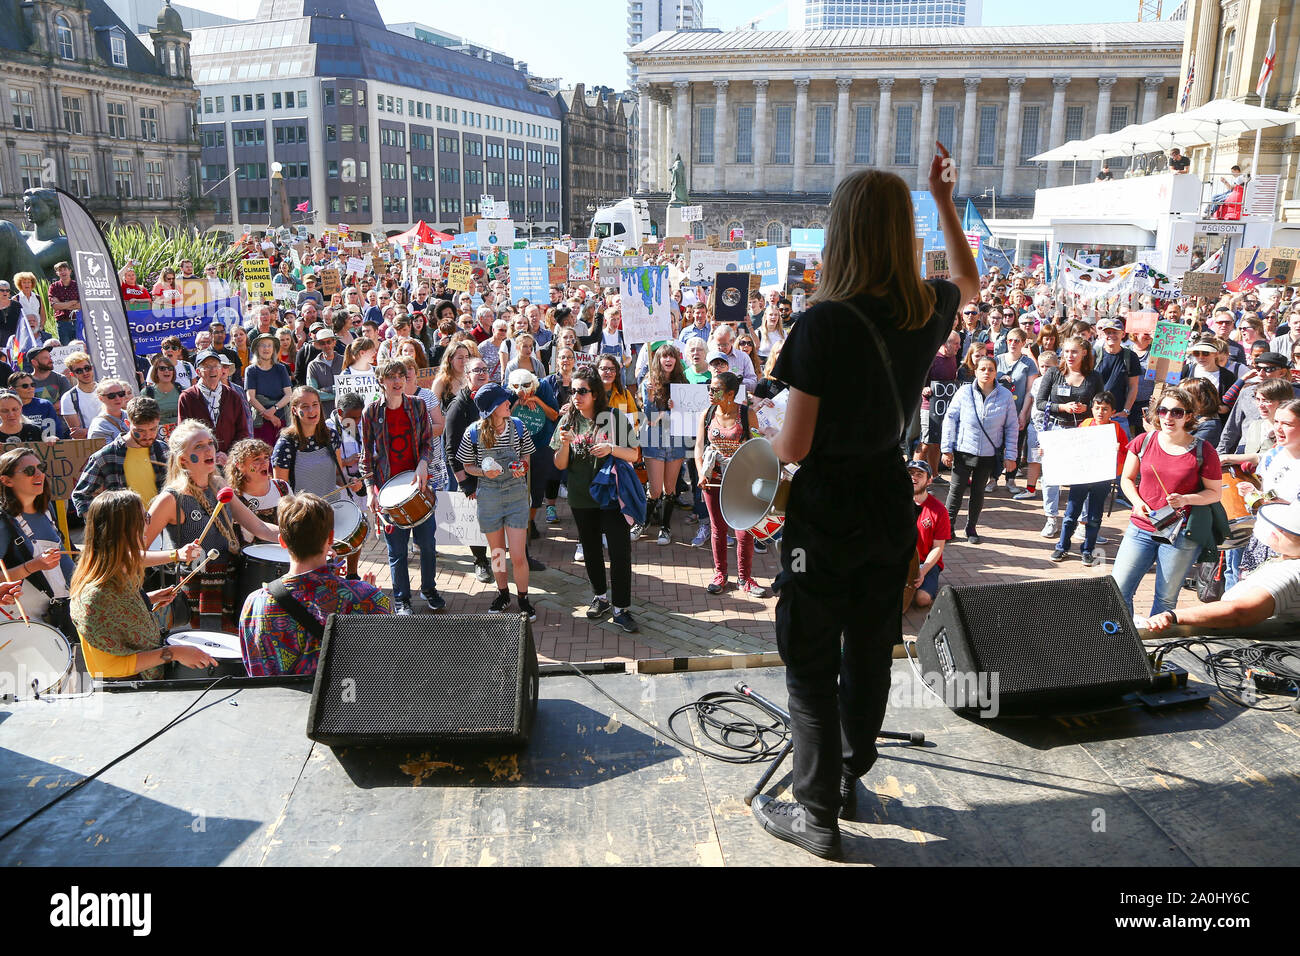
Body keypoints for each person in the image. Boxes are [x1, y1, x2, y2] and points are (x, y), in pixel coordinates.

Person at [757, 146, 977, 859]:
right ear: (900, 233)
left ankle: (815, 814)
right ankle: (850, 774)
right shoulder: (926, 307)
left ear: (842, 232)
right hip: (889, 498)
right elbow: (968, 281)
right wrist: (944, 201)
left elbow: (791, 449)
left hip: (825, 505)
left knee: (810, 661)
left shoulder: (821, 325)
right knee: (872, 648)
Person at [144, 420, 279, 633]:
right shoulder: (171, 500)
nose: (209, 449)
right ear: (183, 460)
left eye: (210, 443)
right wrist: (176, 554)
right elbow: (135, 555)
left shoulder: (219, 486)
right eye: (199, 446)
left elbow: (260, 528)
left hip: (231, 588)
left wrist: (305, 540)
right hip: (196, 599)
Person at [239, 493, 389, 676]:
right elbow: (382, 664)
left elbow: (255, 672)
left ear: (282, 541)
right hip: (342, 702)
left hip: (276, 703)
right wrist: (364, 600)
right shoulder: (369, 598)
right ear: (331, 538)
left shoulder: (254, 604)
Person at [71, 491, 214, 680]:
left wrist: (147, 599)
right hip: (130, 699)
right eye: (145, 518)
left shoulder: (115, 578)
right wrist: (174, 653)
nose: (149, 523)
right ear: (124, 529)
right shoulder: (97, 597)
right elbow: (109, 668)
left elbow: (119, 611)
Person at [1110, 386, 1223, 617]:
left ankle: (1155, 647)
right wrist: (1137, 502)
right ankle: (1127, 644)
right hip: (1141, 527)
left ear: (1189, 416)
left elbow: (1214, 493)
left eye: (1177, 412)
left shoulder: (1203, 450)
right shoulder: (1143, 441)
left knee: (1165, 598)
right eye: (1163, 411)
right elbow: (1127, 480)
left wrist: (1185, 499)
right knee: (1119, 591)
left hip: (1180, 532)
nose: (1168, 417)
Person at [551, 365, 639, 633]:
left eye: (582, 391)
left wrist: (611, 448)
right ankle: (600, 597)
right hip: (581, 497)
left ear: (595, 393)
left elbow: (635, 454)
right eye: (573, 391)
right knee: (590, 550)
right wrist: (565, 443)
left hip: (612, 497)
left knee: (620, 553)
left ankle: (621, 608)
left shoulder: (614, 418)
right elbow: (559, 464)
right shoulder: (566, 422)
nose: (576, 396)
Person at [360, 360, 444, 615]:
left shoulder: (417, 405)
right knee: (397, 550)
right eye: (391, 377)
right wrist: (369, 491)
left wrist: (423, 464)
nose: (397, 381)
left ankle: (429, 589)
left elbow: (428, 442)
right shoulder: (371, 413)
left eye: (401, 376)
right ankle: (401, 599)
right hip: (387, 490)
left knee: (427, 544)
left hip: (418, 485)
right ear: (381, 380)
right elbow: (366, 457)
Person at [1145, 500, 1300, 631]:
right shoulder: (1286, 560)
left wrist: (1174, 616)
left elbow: (1241, 612)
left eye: (1291, 530)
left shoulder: (1290, 572)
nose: (1278, 529)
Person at [457, 383, 537, 619]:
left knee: (519, 555)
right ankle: (503, 594)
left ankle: (523, 597)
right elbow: (466, 466)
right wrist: (483, 472)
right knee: (498, 553)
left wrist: (522, 467)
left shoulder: (519, 426)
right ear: (492, 409)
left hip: (516, 494)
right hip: (489, 495)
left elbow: (526, 455)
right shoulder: (473, 431)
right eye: (503, 402)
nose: (508, 403)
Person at [695, 370, 766, 594]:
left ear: (730, 394)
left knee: (743, 530)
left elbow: (758, 446)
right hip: (713, 480)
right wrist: (700, 473)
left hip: (741, 481)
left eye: (715, 390)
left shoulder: (747, 414)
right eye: (709, 388)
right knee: (718, 529)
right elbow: (698, 448)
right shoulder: (706, 414)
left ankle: (745, 579)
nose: (710, 392)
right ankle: (720, 575)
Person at [940, 355, 1018, 545]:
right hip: (963, 450)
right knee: (956, 490)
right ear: (975, 371)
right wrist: (946, 448)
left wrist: (1011, 455)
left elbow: (1012, 426)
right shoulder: (964, 392)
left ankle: (971, 528)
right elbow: (950, 419)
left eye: (990, 369)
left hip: (988, 453)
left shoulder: (1005, 396)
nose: (986, 372)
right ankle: (948, 528)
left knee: (978, 492)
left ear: (996, 372)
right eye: (982, 369)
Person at [1035, 335, 1104, 538]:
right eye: (1066, 351)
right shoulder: (1054, 373)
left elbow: (1100, 404)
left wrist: (1088, 408)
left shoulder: (1094, 377)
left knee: (1082, 478)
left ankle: (1081, 523)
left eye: (1074, 351)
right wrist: (1062, 407)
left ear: (1084, 352)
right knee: (1050, 476)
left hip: (1082, 431)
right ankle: (1051, 518)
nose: (1070, 356)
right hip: (1056, 429)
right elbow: (1040, 403)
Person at [1051, 391, 1125, 566]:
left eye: (1105, 409)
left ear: (1112, 411)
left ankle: (1087, 550)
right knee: (1071, 513)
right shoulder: (1085, 424)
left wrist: (1118, 452)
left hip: (1102, 478)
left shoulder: (1116, 430)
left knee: (1094, 516)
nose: (1100, 412)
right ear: (1092, 409)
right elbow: (1071, 446)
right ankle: (1062, 546)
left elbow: (1125, 453)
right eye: (1097, 408)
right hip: (1082, 476)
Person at [444, 356, 498, 584]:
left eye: (485, 369)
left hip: (494, 470)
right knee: (475, 523)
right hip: (471, 473)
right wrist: (465, 483)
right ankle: (480, 561)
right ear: (467, 376)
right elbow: (450, 449)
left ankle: (501, 561)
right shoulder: (458, 406)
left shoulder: (492, 399)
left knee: (495, 519)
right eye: (477, 370)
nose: (482, 373)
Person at [72, 396, 170, 517]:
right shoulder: (106, 455)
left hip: (163, 526)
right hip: (126, 528)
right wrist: (106, 523)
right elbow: (81, 496)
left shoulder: (164, 449)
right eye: (140, 431)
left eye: (153, 429)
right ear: (127, 423)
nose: (148, 435)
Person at [639, 343, 690, 546]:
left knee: (670, 488)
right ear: (657, 360)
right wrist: (655, 402)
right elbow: (650, 419)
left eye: (672, 357)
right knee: (655, 490)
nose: (668, 360)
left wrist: (668, 413)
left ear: (676, 360)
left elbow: (687, 415)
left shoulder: (682, 383)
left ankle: (665, 528)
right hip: (654, 441)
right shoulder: (648, 383)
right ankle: (642, 523)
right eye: (664, 357)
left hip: (676, 441)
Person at [906, 459, 950, 611]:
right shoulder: (895, 504)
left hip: (925, 563)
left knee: (922, 599)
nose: (914, 477)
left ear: (929, 480)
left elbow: (938, 548)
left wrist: (922, 571)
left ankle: (921, 589)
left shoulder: (939, 510)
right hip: (901, 561)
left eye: (919, 474)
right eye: (910, 473)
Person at [244, 332, 293, 445]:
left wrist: (273, 410)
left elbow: (288, 394)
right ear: (257, 349)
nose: (266, 348)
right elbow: (250, 398)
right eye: (263, 345)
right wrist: (269, 416)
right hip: (260, 421)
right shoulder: (251, 370)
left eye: (269, 345)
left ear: (274, 349)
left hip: (281, 419)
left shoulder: (281, 369)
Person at [58, 351, 100, 439]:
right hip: (88, 445)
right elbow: (77, 435)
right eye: (79, 371)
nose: (85, 373)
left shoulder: (106, 390)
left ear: (92, 368)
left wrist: (87, 431)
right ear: (72, 374)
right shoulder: (68, 398)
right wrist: (106, 430)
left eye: (87, 368)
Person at [142, 355, 181, 429]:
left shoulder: (182, 391)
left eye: (170, 368)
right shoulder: (147, 393)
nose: (167, 371)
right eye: (162, 368)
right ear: (155, 372)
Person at [47, 261, 80, 344]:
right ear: (57, 273)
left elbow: (82, 305)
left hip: (78, 321)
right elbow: (55, 306)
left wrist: (63, 304)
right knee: (65, 349)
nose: (63, 272)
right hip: (63, 323)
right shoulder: (53, 287)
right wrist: (72, 302)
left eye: (65, 269)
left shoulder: (78, 285)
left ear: (70, 271)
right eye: (60, 270)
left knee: (81, 346)